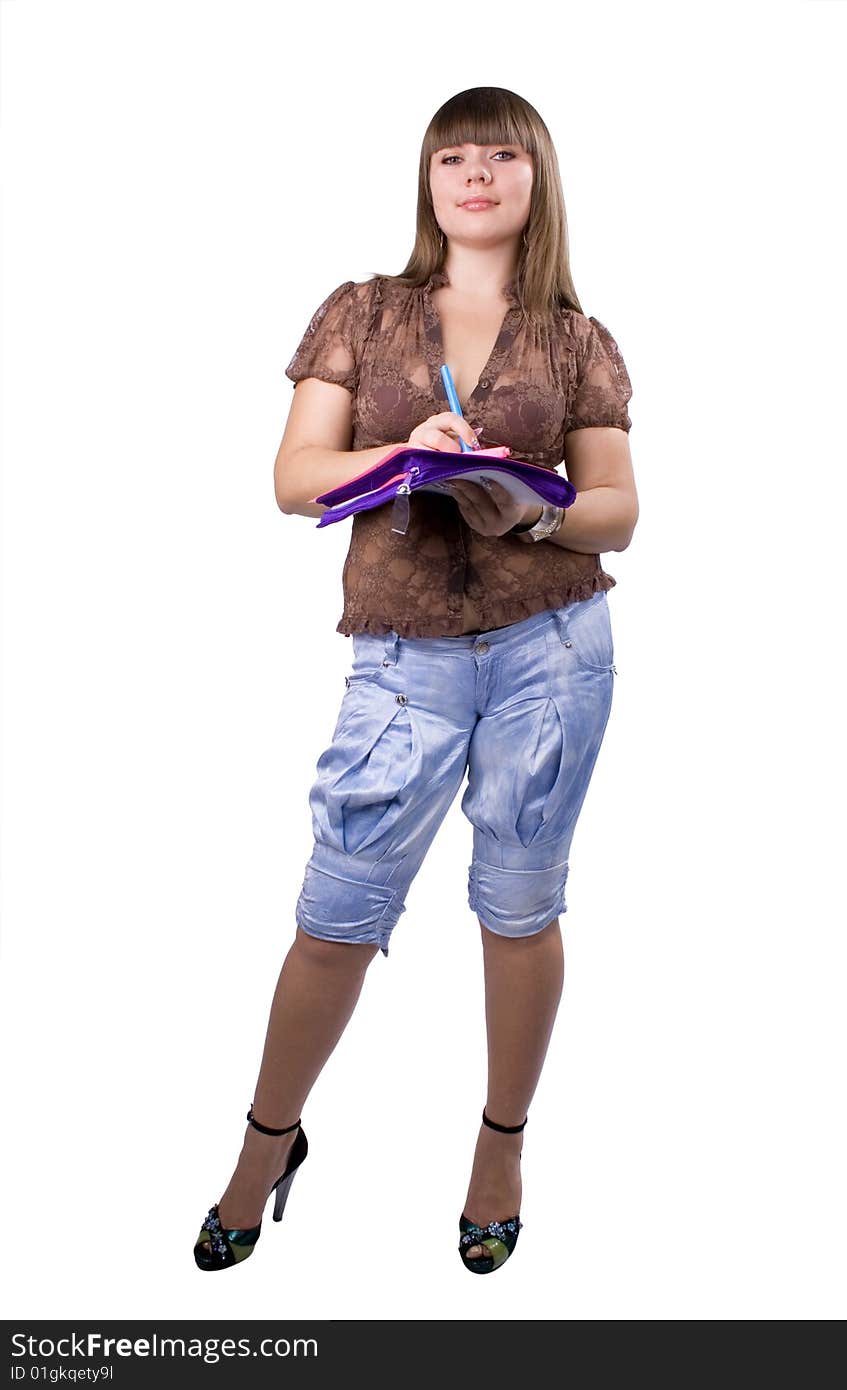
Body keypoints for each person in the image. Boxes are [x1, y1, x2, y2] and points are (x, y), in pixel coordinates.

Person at [193, 85, 638, 1276]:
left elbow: (617, 511)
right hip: (400, 659)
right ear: (427, 178)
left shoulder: (575, 338)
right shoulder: (365, 311)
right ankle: (263, 1143)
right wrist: (405, 455)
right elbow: (294, 477)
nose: (477, 175)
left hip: (552, 650)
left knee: (518, 905)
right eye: (454, 156)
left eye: (502, 155)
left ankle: (501, 1148)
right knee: (336, 916)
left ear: (537, 178)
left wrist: (530, 518)